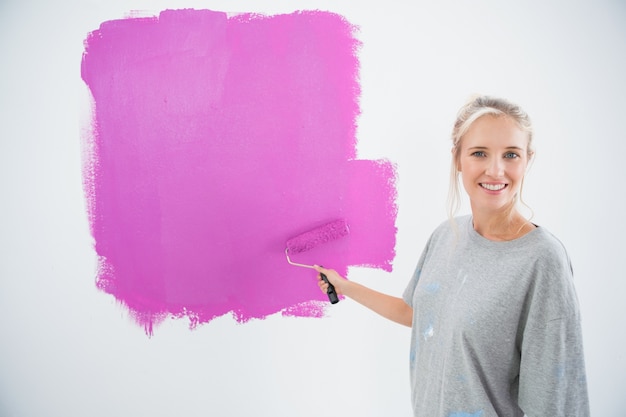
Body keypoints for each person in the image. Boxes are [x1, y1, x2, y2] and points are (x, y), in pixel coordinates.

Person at [314, 95, 590, 417]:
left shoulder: (542, 260)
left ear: (528, 160)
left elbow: (555, 400)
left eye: (511, 154)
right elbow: (416, 313)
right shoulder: (446, 235)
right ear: (458, 158)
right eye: (479, 153)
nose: (496, 169)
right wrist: (343, 286)